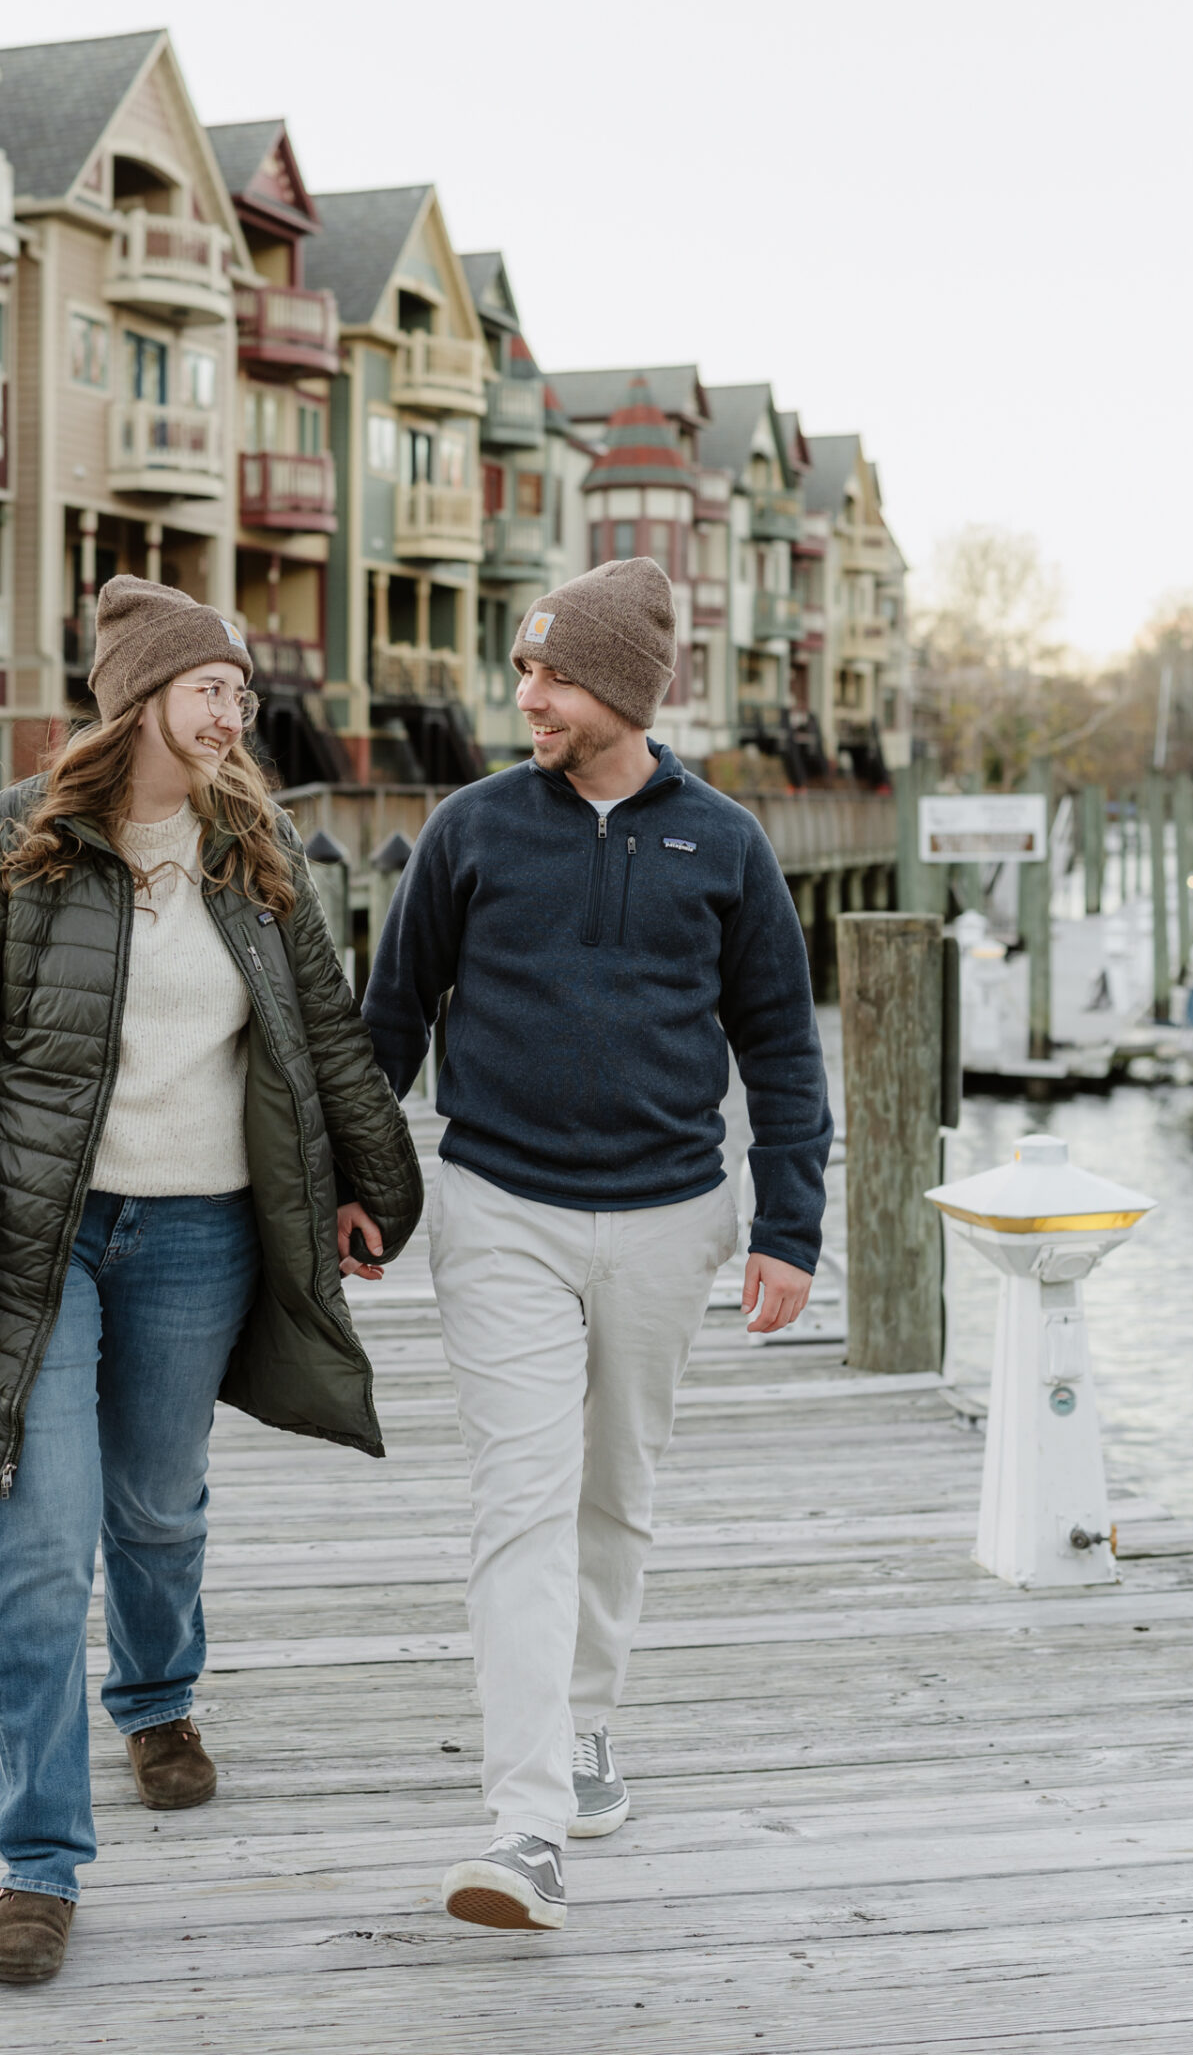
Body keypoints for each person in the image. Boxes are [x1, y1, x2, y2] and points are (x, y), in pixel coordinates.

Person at [0, 576, 423, 1987]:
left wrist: (372, 1187)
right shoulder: (13, 843)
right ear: (141, 698)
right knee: (36, 1544)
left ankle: (156, 1701)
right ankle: (38, 1862)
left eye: (240, 691)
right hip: (39, 1244)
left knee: (157, 1507)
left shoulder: (254, 851)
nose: (237, 712)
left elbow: (326, 1038)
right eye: (211, 687)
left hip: (201, 1234)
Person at [361, 556, 832, 1933]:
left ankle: (584, 1726)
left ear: (624, 688)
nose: (527, 697)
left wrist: (787, 1227)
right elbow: (384, 1030)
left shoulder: (726, 845)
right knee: (518, 1500)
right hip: (500, 1206)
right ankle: (524, 1825)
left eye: (552, 674)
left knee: (611, 1496)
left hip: (668, 1218)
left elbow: (780, 1056)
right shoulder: (467, 830)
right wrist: (358, 1190)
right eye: (522, 670)